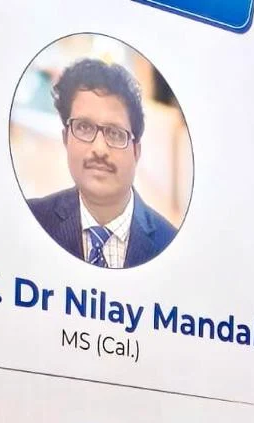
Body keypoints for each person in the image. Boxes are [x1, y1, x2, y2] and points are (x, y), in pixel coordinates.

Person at [27, 58, 178, 268]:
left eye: (115, 133)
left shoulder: (170, 244)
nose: (99, 149)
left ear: (136, 151)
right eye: (84, 127)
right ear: (66, 139)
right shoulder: (31, 220)